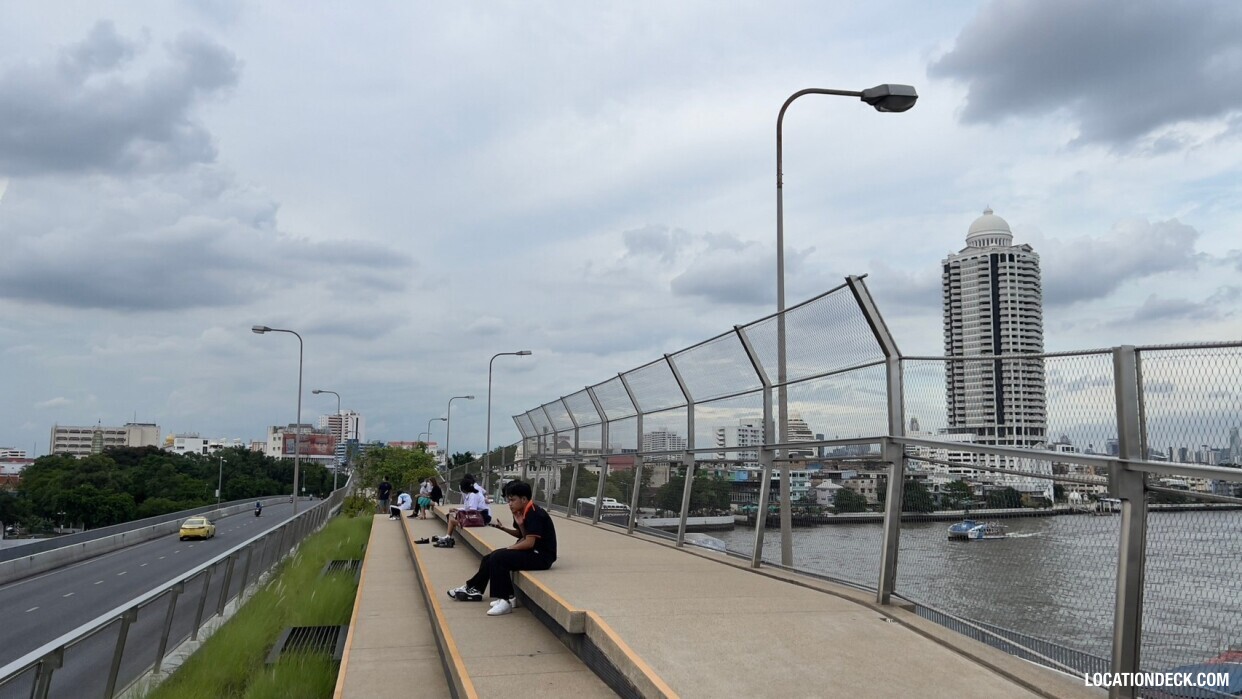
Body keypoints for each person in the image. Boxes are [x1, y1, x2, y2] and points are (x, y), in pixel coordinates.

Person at [446, 480, 557, 616]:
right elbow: (522, 534)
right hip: (533, 551)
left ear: (523, 499)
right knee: (490, 557)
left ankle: (504, 601)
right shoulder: (521, 511)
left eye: (512, 500)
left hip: (542, 556)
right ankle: (476, 589)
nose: (509, 504)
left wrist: (509, 548)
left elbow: (529, 542)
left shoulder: (534, 513)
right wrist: (506, 528)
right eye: (508, 500)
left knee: (499, 557)